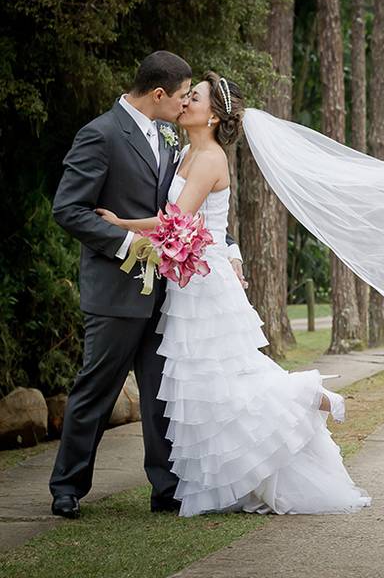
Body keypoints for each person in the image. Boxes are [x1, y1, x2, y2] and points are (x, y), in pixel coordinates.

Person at [95, 72, 369, 516]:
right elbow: (205, 225)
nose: (184, 102)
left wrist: (120, 224)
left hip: (205, 285)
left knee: (227, 376)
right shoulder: (186, 150)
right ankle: (220, 476)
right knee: (208, 382)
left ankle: (306, 395)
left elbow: (174, 221)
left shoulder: (209, 159)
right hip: (192, 278)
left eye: (195, 97)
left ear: (214, 115)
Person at [50, 51, 246, 518]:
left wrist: (231, 252)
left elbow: (190, 213)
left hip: (167, 292)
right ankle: (68, 487)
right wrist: (125, 244)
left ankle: (167, 489)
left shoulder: (171, 140)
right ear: (159, 94)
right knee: (96, 389)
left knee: (162, 395)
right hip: (115, 290)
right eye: (182, 96)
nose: (184, 105)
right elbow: (68, 209)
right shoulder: (99, 134)